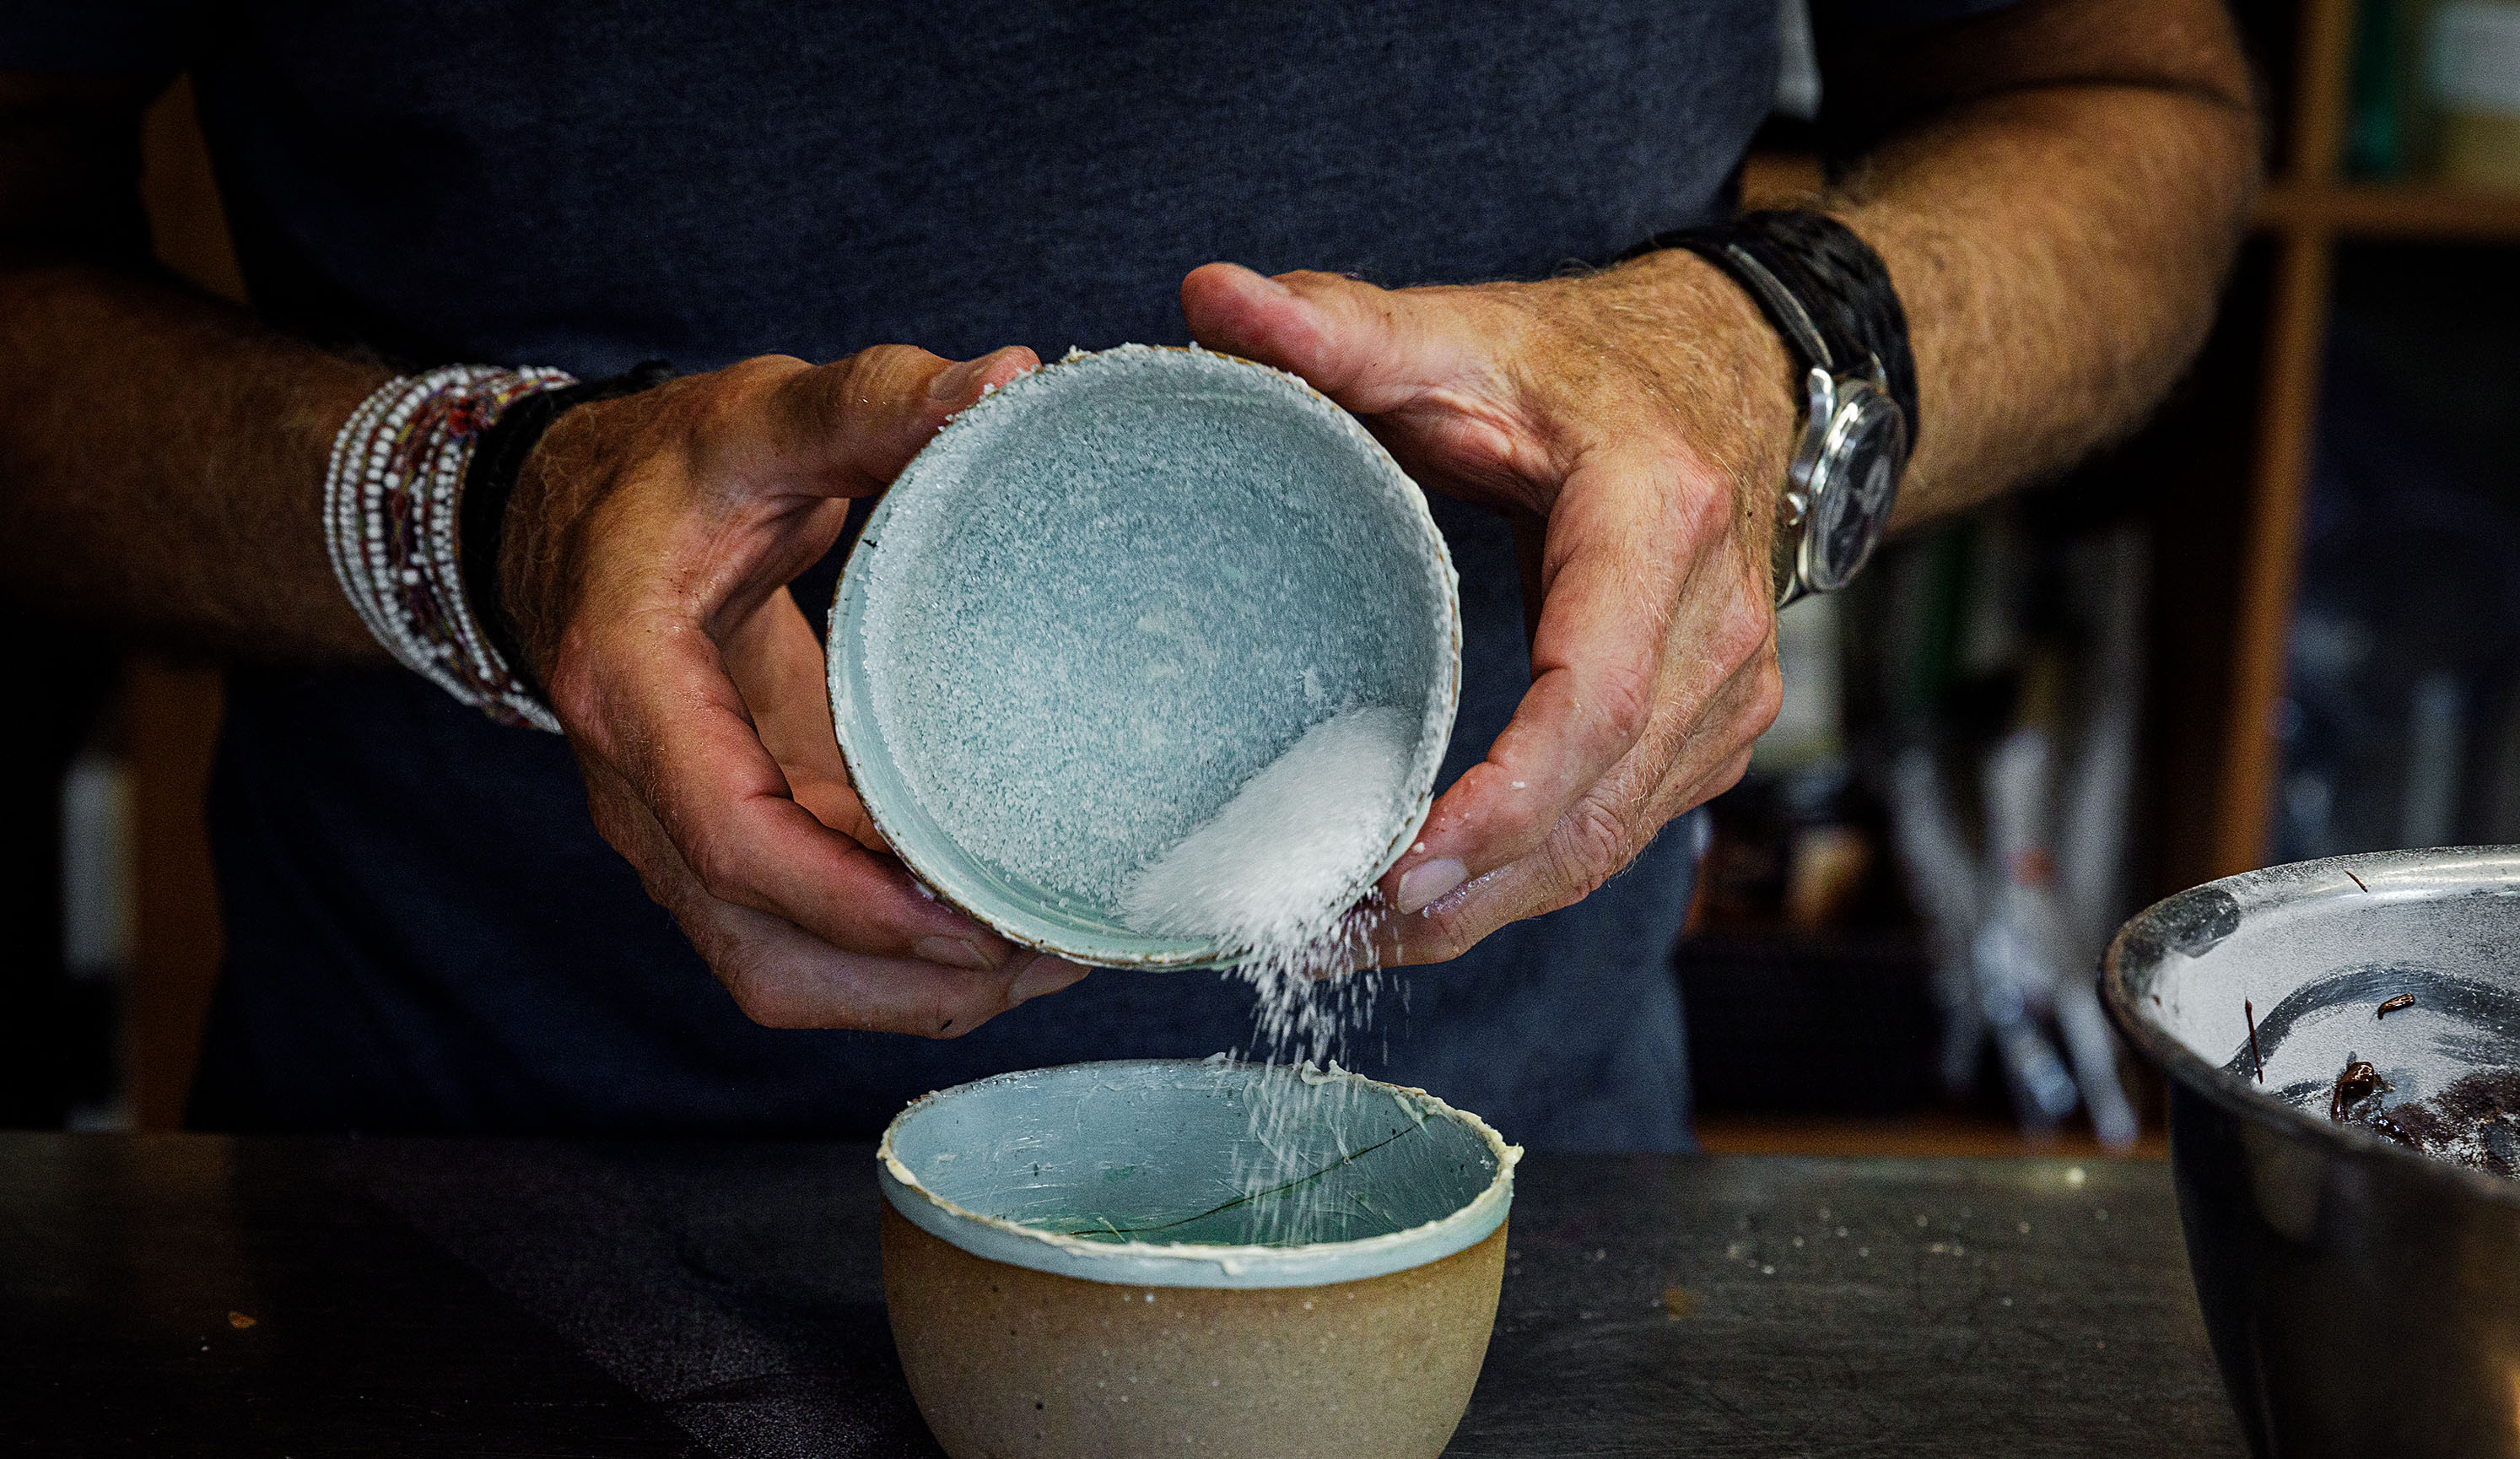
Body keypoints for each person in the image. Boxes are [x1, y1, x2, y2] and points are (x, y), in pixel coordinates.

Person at [0, 2, 2255, 1147]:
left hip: (1501, 1196)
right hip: (461, 1223)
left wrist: (1757, 362)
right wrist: (484, 519)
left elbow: (2128, 109)